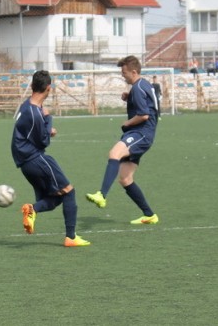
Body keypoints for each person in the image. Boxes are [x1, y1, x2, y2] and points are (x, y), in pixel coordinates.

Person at [12, 70, 90, 247]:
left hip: (26, 163)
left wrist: (44, 121)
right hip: (36, 159)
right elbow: (44, 141)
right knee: (69, 191)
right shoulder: (35, 114)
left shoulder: (25, 106)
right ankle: (71, 237)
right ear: (49, 88)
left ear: (32, 86)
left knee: (55, 199)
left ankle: (33, 209)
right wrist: (49, 121)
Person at [86, 55, 160, 225]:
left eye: (124, 72)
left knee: (114, 153)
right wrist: (130, 97)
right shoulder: (143, 85)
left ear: (134, 71)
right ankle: (149, 215)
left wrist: (127, 122)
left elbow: (144, 115)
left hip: (141, 133)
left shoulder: (139, 88)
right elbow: (153, 104)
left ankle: (101, 195)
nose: (123, 75)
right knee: (125, 179)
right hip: (142, 134)